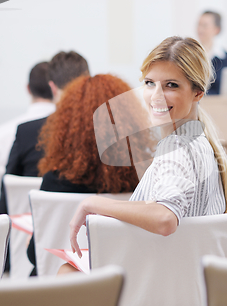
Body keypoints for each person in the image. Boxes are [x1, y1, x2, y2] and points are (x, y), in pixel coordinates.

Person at [61, 36, 227, 272]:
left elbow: (165, 219)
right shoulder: (202, 142)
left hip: (158, 282)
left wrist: (93, 203)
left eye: (171, 85)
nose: (156, 95)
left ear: (198, 93)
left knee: (66, 271)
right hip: (188, 282)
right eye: (150, 83)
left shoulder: (175, 148)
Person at [27, 74, 152, 276]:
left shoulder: (55, 180)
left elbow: (36, 255)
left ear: (66, 126)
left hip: (61, 293)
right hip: (123, 286)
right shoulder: (142, 180)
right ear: (130, 123)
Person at [0, 51, 89, 215]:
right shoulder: (107, 136)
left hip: (38, 235)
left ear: (52, 87)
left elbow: (5, 203)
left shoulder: (27, 133)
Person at [0, 62, 55, 214]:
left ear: (28, 88)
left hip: (13, 231)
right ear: (56, 88)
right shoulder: (73, 135)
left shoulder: (0, 135)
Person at [197, 11, 227, 95]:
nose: (200, 29)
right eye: (199, 25)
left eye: (205, 26)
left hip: (222, 106)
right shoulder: (191, 56)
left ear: (217, 29)